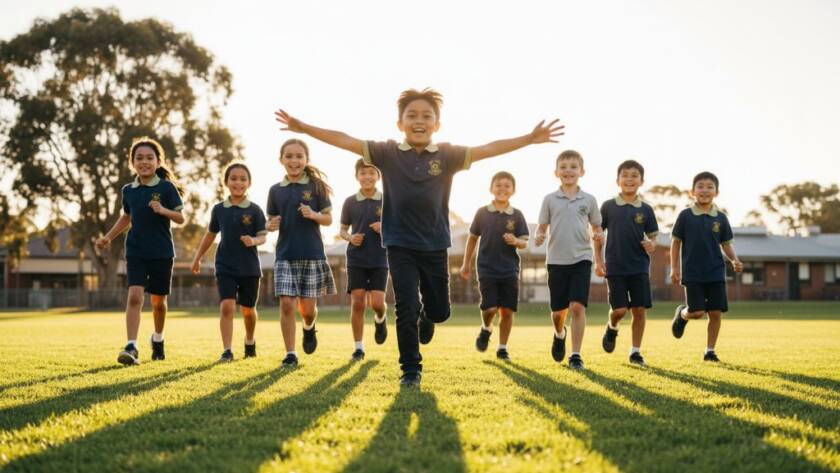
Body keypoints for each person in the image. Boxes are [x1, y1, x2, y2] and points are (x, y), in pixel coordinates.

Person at [275, 88, 563, 385]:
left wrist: (528, 138)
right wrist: (304, 127)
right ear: (400, 123)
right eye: (411, 115)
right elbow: (346, 140)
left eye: (427, 116)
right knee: (405, 306)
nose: (419, 121)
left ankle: (429, 317)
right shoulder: (386, 153)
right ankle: (410, 370)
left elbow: (488, 148)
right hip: (399, 244)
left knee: (439, 312)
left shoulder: (448, 155)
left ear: (437, 124)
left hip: (435, 244)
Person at [96, 137, 185, 365]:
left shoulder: (166, 187)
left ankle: (157, 338)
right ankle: (132, 346)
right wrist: (108, 237)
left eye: (149, 158)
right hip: (135, 251)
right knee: (135, 297)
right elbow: (126, 217)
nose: (144, 162)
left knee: (158, 303)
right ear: (132, 162)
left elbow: (181, 217)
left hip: (162, 252)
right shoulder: (128, 191)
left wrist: (163, 210)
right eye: (139, 158)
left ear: (158, 161)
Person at [265, 139, 337, 368]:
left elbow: (328, 219)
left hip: (312, 253)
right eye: (289, 156)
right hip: (285, 254)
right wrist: (270, 225)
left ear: (306, 159)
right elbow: (270, 220)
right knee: (286, 304)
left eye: (299, 156)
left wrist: (314, 214)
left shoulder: (317, 187)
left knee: (307, 310)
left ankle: (309, 327)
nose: (294, 161)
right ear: (281, 160)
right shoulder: (275, 190)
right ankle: (290, 354)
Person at [191, 162, 267, 362]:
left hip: (250, 268)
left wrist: (253, 241)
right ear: (226, 182)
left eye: (243, 179)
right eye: (233, 178)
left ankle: (249, 341)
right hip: (225, 265)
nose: (238, 182)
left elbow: (263, 237)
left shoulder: (255, 210)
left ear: (249, 183)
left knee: (248, 311)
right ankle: (227, 350)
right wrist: (197, 257)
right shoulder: (218, 210)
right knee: (227, 306)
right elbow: (210, 235)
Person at [535, 150, 603, 370]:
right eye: (563, 167)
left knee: (577, 307)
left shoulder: (590, 200)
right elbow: (542, 226)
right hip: (556, 261)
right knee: (558, 312)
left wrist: (599, 235)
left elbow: (597, 226)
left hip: (582, 259)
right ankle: (559, 333)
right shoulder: (549, 200)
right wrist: (539, 235)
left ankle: (575, 355)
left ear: (581, 172)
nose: (568, 171)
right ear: (556, 172)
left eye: (573, 167)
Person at [670, 171, 743, 362]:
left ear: (716, 192)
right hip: (692, 272)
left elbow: (726, 244)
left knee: (715, 313)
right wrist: (675, 268)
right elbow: (676, 243)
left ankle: (709, 351)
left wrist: (734, 259)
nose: (705, 190)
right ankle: (682, 315)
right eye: (700, 187)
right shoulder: (685, 216)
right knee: (697, 312)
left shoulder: (720, 218)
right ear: (692, 191)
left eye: (710, 187)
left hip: (716, 271)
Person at [593, 160, 659, 366]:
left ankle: (635, 352)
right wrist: (598, 261)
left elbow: (653, 238)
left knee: (639, 310)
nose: (629, 179)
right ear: (617, 180)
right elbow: (597, 235)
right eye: (625, 175)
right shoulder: (608, 206)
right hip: (615, 266)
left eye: (634, 176)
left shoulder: (646, 210)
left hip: (639, 267)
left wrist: (651, 244)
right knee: (620, 310)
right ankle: (612, 327)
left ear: (641, 181)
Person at [459, 171, 529, 362]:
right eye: (498, 185)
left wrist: (515, 240)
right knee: (490, 309)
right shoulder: (482, 213)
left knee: (507, 310)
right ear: (491, 189)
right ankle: (486, 328)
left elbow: (524, 243)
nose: (502, 189)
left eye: (507, 185)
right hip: (486, 268)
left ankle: (502, 348)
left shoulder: (517, 215)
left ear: (513, 191)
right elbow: (472, 238)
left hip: (509, 269)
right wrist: (466, 264)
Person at [339, 159, 389, 361]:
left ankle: (381, 317)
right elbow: (342, 230)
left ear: (378, 176)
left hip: (380, 257)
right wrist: (350, 237)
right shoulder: (350, 202)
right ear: (357, 176)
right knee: (358, 302)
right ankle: (359, 348)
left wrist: (383, 226)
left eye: (371, 173)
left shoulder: (387, 200)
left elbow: (399, 226)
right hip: (356, 258)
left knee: (377, 302)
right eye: (363, 173)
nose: (367, 177)